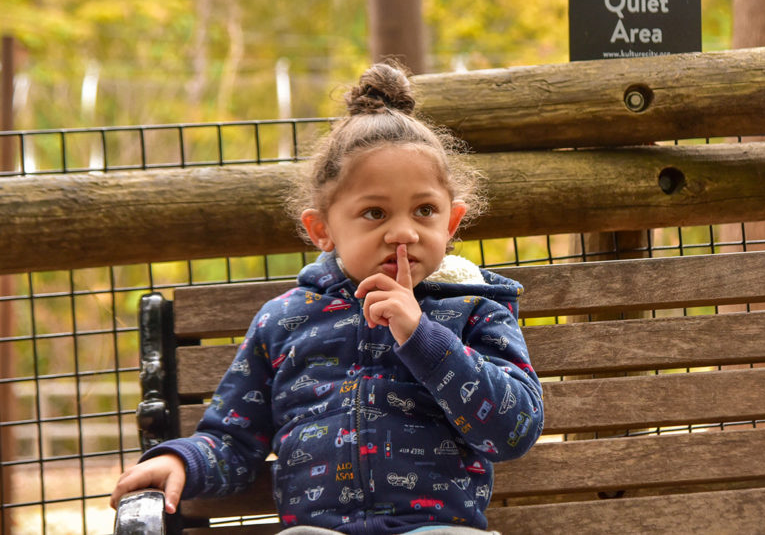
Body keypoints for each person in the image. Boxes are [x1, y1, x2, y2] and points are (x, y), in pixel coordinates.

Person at [110, 62, 544, 534]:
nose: (403, 232)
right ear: (323, 230)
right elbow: (234, 438)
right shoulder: (284, 321)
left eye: (425, 210)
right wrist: (182, 462)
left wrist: (423, 336)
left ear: (451, 223)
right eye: (374, 213)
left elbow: (514, 430)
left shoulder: (474, 309)